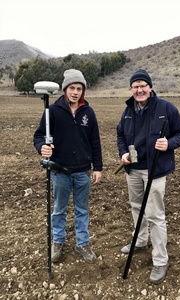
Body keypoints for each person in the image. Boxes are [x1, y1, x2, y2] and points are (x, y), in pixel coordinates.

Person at [117, 69, 180, 284]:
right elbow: (120, 134)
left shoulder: (165, 107)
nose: (139, 90)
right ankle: (139, 241)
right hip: (134, 169)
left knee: (155, 214)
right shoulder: (128, 110)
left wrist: (169, 144)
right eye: (135, 86)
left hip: (155, 170)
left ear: (150, 87)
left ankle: (160, 260)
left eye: (143, 85)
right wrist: (123, 153)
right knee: (136, 206)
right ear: (131, 89)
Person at [33, 69, 103, 262]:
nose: (75, 92)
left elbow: (95, 142)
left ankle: (82, 243)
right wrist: (43, 148)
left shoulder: (88, 112)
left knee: (82, 210)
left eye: (79, 88)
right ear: (65, 89)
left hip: (83, 171)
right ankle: (58, 241)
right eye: (72, 88)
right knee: (59, 209)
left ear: (83, 91)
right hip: (60, 171)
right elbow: (39, 136)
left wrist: (97, 168)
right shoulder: (52, 111)